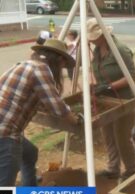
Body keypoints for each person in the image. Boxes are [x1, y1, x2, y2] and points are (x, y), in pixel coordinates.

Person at [0, 39, 81, 186]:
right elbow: (58, 108)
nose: (62, 69)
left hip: (5, 126)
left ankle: (29, 190)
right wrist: (77, 119)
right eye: (63, 65)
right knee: (4, 187)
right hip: (5, 134)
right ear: (59, 60)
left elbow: (39, 101)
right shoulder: (41, 69)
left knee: (30, 153)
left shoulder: (24, 65)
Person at [87, 18, 135, 181]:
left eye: (94, 37)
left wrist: (109, 86)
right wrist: (95, 86)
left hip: (124, 100)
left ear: (103, 34)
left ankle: (132, 169)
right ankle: (113, 168)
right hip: (105, 101)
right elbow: (95, 72)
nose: (91, 39)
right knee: (108, 134)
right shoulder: (96, 51)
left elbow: (132, 76)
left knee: (122, 136)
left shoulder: (120, 49)